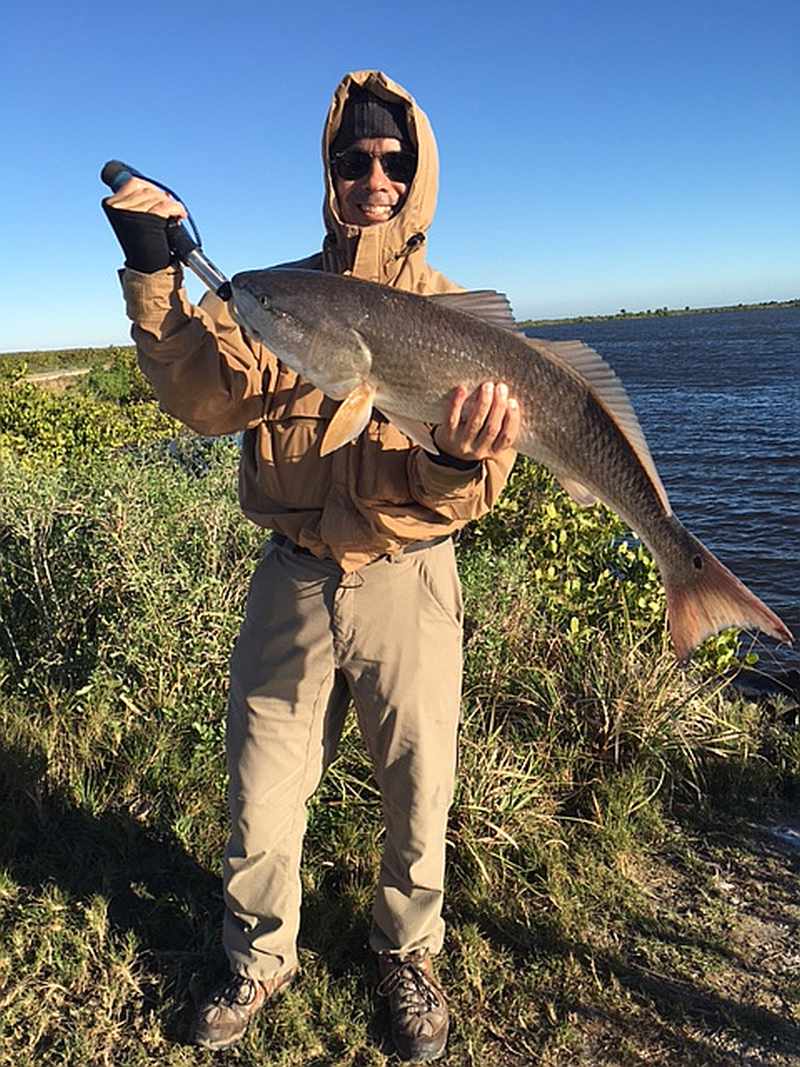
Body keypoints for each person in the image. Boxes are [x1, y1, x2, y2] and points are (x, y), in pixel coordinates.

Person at [103, 69, 519, 1063]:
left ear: (415, 173)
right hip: (290, 574)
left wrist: (458, 457)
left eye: (392, 157)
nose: (372, 173)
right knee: (260, 789)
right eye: (352, 156)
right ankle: (257, 956)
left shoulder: (462, 314)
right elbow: (200, 398)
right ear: (329, 170)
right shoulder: (278, 295)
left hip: (408, 579)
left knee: (419, 790)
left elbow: (479, 486)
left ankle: (405, 955)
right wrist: (154, 273)